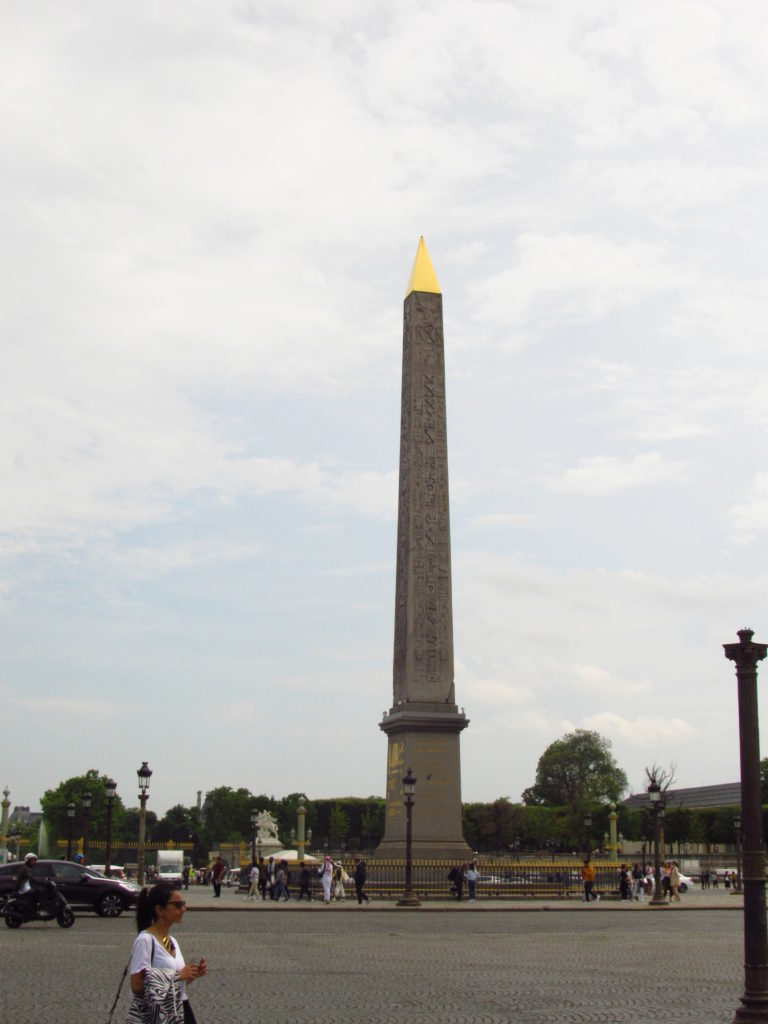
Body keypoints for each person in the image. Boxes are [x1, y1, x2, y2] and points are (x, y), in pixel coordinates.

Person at [127, 882, 207, 1024]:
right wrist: (178, 975)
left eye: (183, 904)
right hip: (160, 1013)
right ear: (160, 910)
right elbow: (136, 985)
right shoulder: (145, 940)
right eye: (177, 905)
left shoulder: (171, 940)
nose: (183, 909)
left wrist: (191, 974)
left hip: (180, 1007)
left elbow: (175, 982)